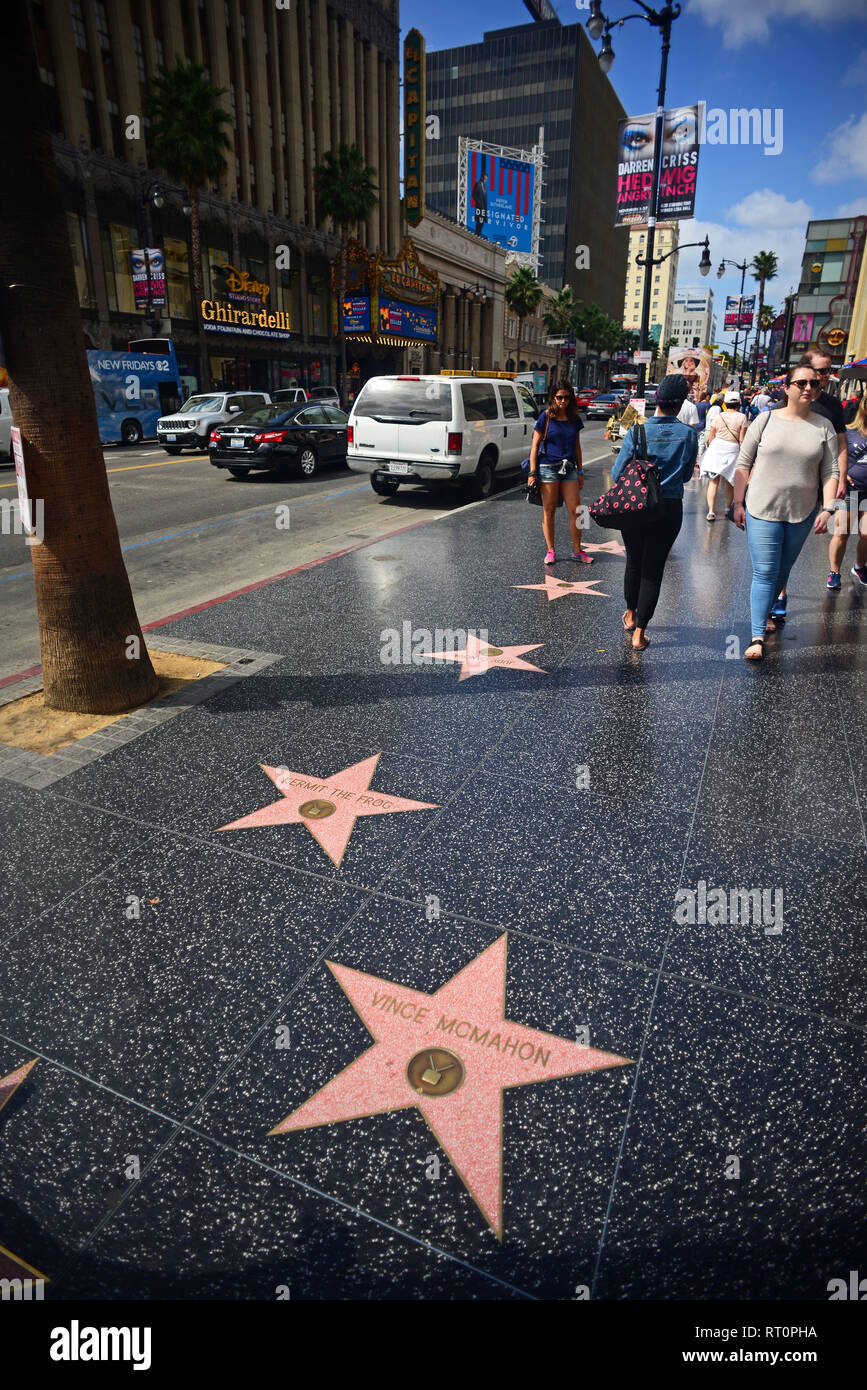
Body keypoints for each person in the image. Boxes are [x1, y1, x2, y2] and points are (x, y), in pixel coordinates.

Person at [732, 364, 838, 661]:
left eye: (815, 384)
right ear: (787, 387)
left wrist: (828, 508)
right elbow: (743, 463)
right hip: (761, 507)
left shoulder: (823, 426)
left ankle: (763, 611)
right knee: (765, 571)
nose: (808, 388)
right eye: (802, 383)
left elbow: (831, 471)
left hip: (802, 512)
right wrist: (738, 503)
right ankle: (756, 636)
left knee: (783, 570)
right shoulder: (764, 421)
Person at [613, 374, 698, 651]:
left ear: (656, 399)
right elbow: (685, 476)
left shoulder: (637, 431)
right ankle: (640, 633)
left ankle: (630, 613)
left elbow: (617, 473)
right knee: (654, 568)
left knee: (634, 562)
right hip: (669, 507)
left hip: (636, 506)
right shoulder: (688, 434)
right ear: (682, 403)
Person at [527, 380, 592, 565]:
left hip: (569, 468)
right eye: (559, 397)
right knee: (549, 510)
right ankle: (550, 550)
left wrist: (580, 471)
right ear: (553, 398)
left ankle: (578, 551)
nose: (563, 401)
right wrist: (532, 473)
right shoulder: (545, 417)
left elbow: (577, 447)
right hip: (548, 468)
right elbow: (535, 446)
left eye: (566, 397)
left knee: (577, 510)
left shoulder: (574, 418)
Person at [699, 390, 747, 520]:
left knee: (713, 482)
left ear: (725, 403)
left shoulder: (718, 416)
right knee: (730, 482)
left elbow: (711, 438)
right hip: (733, 450)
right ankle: (727, 509)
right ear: (738, 403)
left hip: (717, 449)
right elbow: (742, 439)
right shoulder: (742, 417)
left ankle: (711, 511)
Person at [843, 395, 867, 585]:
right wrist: (840, 474)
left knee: (866, 533)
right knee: (841, 532)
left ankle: (859, 566)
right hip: (849, 490)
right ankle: (834, 572)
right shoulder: (849, 431)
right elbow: (835, 455)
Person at [471, 172, 488, 237]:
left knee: (482, 221)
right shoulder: (478, 184)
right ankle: (477, 234)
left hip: (484, 208)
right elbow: (474, 194)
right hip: (479, 207)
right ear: (481, 178)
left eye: (486, 179)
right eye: (484, 178)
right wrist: (478, 202)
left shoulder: (485, 187)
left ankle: (479, 234)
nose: (485, 180)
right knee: (478, 221)